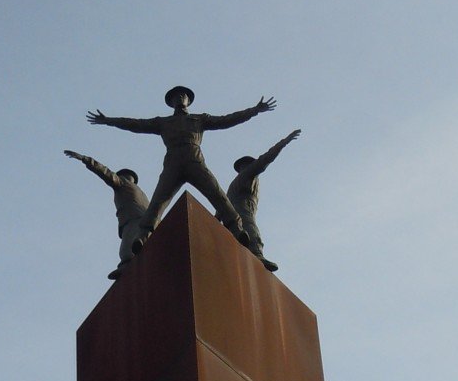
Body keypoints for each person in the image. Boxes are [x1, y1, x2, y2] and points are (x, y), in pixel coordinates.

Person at [86, 86, 275, 247]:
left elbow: (228, 120)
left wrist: (254, 110)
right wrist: (108, 120)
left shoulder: (200, 119)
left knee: (218, 195)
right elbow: (135, 124)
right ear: (171, 102)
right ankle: (142, 238)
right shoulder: (163, 122)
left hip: (195, 162)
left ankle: (237, 229)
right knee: (157, 203)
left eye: (183, 96)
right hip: (172, 164)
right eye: (176, 97)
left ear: (188, 100)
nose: (180, 98)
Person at [64, 150, 149, 279]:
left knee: (126, 250)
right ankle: (136, 264)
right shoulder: (142, 193)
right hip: (144, 221)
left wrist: (85, 159)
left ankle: (127, 267)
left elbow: (105, 172)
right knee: (138, 244)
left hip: (132, 220)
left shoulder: (123, 184)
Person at [224, 128, 301, 272]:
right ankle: (258, 254)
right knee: (251, 229)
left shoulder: (234, 184)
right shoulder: (247, 174)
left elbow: (222, 203)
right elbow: (266, 158)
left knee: (240, 234)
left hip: (234, 214)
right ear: (245, 166)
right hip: (243, 209)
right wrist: (283, 143)